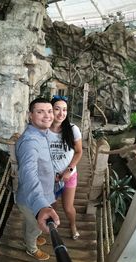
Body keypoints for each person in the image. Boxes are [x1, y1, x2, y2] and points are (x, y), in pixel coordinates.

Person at [16, 97, 60, 261]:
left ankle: (29, 238)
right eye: (40, 112)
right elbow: (28, 172)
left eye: (49, 111)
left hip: (41, 193)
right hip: (32, 199)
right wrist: (41, 206)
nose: (47, 115)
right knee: (36, 226)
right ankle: (31, 248)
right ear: (30, 115)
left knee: (31, 225)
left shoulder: (43, 134)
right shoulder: (30, 141)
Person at [49, 95, 83, 240]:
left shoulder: (72, 129)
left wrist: (68, 170)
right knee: (52, 205)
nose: (61, 113)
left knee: (68, 208)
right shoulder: (44, 130)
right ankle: (54, 224)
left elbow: (79, 152)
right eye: (57, 109)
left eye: (64, 110)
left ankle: (73, 225)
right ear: (51, 110)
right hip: (50, 177)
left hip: (69, 175)